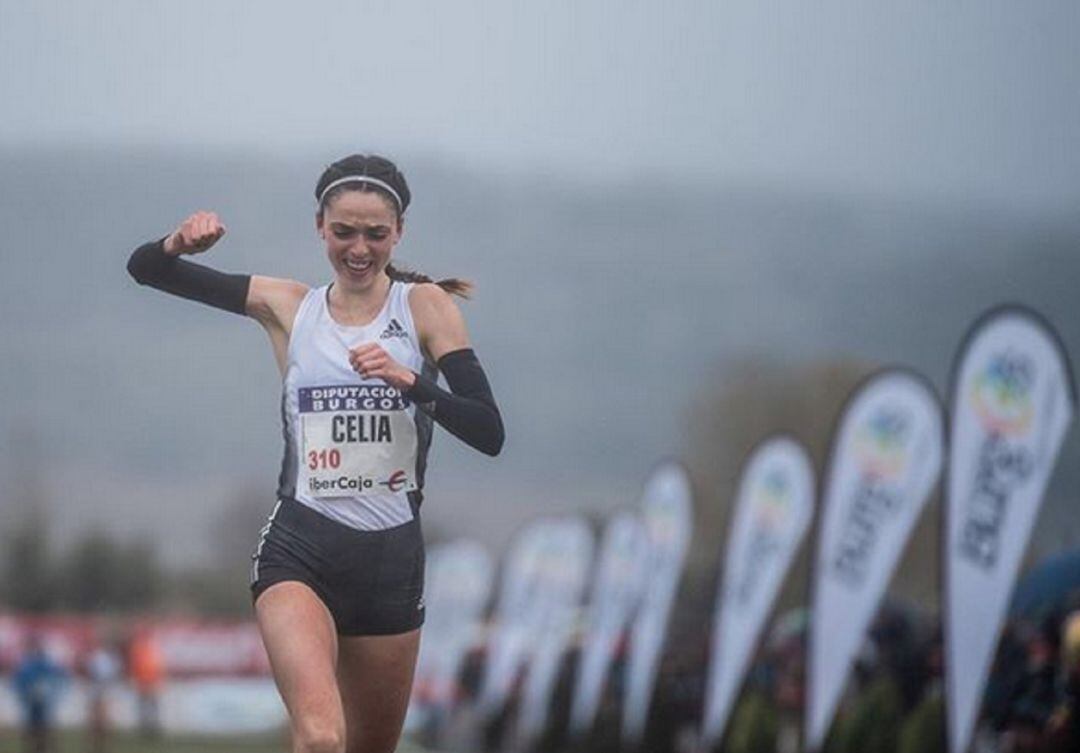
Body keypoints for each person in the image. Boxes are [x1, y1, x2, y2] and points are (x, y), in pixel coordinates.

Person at [127, 153, 504, 753]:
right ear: (319, 229)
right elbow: (146, 270)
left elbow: (489, 432)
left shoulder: (424, 308)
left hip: (390, 565)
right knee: (322, 738)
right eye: (344, 232)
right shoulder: (289, 306)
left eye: (376, 234)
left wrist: (414, 384)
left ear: (399, 232)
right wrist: (177, 242)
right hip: (300, 550)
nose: (359, 249)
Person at [12, 633, 67, 753]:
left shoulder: (46, 663)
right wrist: (25, 695)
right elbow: (19, 682)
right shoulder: (26, 664)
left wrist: (52, 694)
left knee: (45, 733)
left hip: (45, 704)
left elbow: (58, 678)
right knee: (31, 734)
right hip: (31, 704)